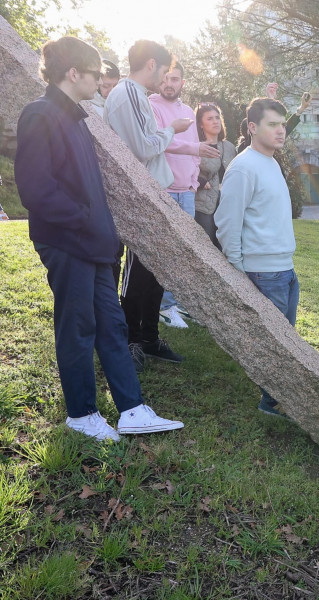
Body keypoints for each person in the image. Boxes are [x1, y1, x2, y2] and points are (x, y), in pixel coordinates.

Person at [15, 36, 183, 441]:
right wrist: (86, 220)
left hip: (93, 244)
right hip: (67, 242)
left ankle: (132, 409)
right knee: (77, 327)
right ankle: (81, 413)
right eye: (95, 74)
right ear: (73, 73)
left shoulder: (79, 117)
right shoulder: (40, 115)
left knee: (112, 325)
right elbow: (36, 190)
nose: (102, 80)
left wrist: (100, 229)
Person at [105, 40, 192, 372]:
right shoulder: (127, 93)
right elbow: (142, 148)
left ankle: (149, 338)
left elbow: (146, 143)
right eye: (166, 71)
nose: (166, 78)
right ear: (152, 64)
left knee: (155, 271)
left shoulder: (134, 95)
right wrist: (171, 129)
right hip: (136, 198)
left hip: (152, 194)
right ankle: (131, 339)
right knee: (136, 273)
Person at [215, 98, 297, 416]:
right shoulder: (244, 167)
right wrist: (238, 270)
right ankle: (271, 401)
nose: (281, 131)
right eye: (272, 124)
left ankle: (276, 397)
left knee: (285, 342)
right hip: (263, 272)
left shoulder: (271, 161)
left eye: (283, 124)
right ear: (252, 127)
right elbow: (226, 222)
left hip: (284, 268)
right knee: (273, 344)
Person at [150, 62, 220, 329]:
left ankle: (175, 301)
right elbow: (162, 141)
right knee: (165, 250)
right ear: (159, 79)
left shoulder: (188, 111)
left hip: (186, 194)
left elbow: (194, 152)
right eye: (166, 78)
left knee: (184, 251)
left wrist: (192, 181)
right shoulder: (151, 105)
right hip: (163, 189)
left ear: (183, 83)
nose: (170, 83)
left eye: (175, 78)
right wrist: (195, 149)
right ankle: (164, 307)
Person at [194, 102, 237, 247]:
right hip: (203, 205)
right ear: (200, 124)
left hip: (226, 204)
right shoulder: (195, 146)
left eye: (217, 118)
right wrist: (198, 180)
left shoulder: (229, 147)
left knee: (225, 246)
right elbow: (184, 169)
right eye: (210, 119)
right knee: (206, 247)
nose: (215, 121)